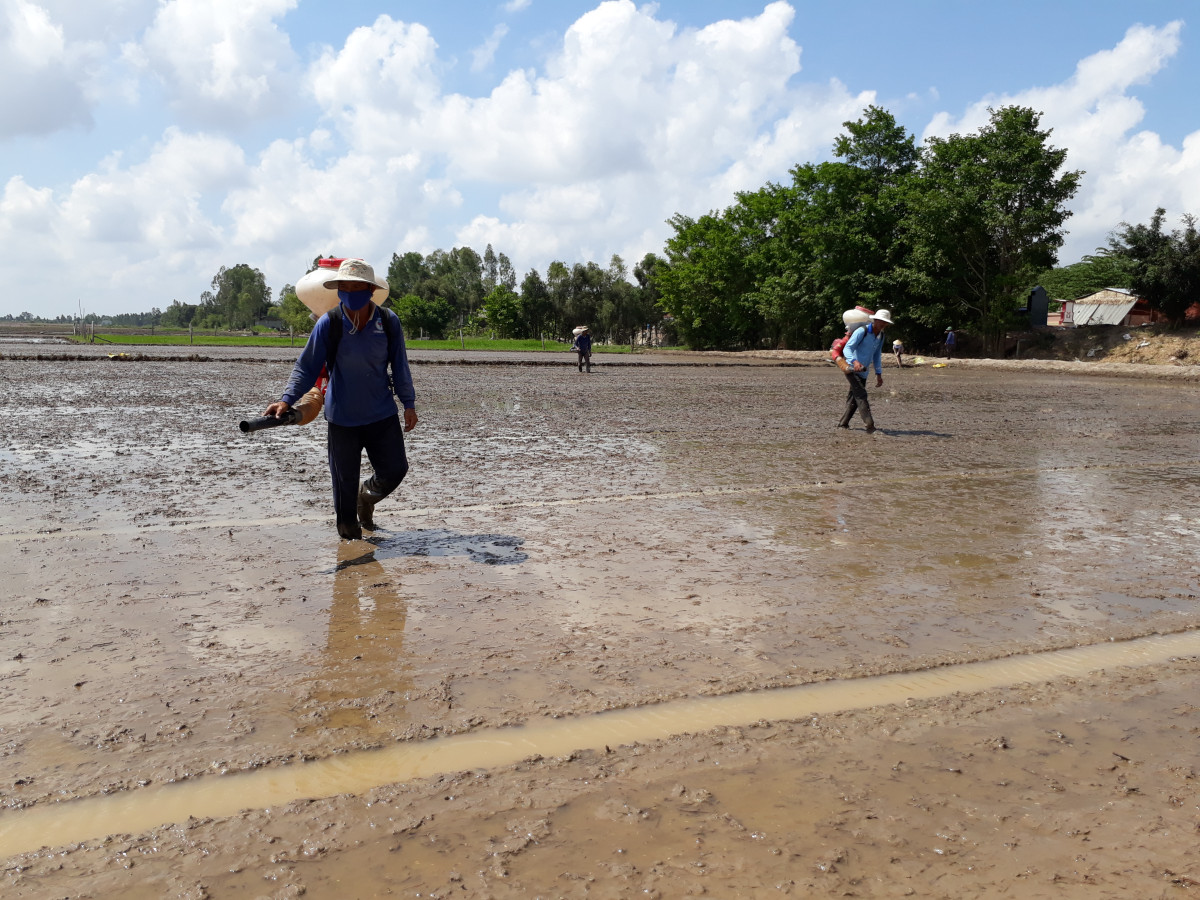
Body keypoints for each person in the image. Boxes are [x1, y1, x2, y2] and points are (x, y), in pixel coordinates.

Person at [265, 258, 419, 540]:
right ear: (338, 290)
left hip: (381, 413)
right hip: (343, 418)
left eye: (356, 286)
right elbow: (307, 366)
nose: (350, 291)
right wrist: (286, 400)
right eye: (344, 286)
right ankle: (351, 546)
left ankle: (367, 497)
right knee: (343, 487)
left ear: (370, 290)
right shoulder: (329, 323)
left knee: (395, 469)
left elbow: (399, 364)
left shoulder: (387, 321)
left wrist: (408, 403)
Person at [837, 308, 894, 433]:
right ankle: (870, 425)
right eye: (880, 321)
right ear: (875, 320)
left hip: (864, 371)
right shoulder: (861, 331)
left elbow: (877, 355)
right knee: (861, 395)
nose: (882, 324)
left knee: (854, 398)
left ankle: (843, 424)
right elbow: (847, 349)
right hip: (852, 369)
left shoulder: (881, 336)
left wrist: (879, 373)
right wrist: (854, 361)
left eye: (885, 323)